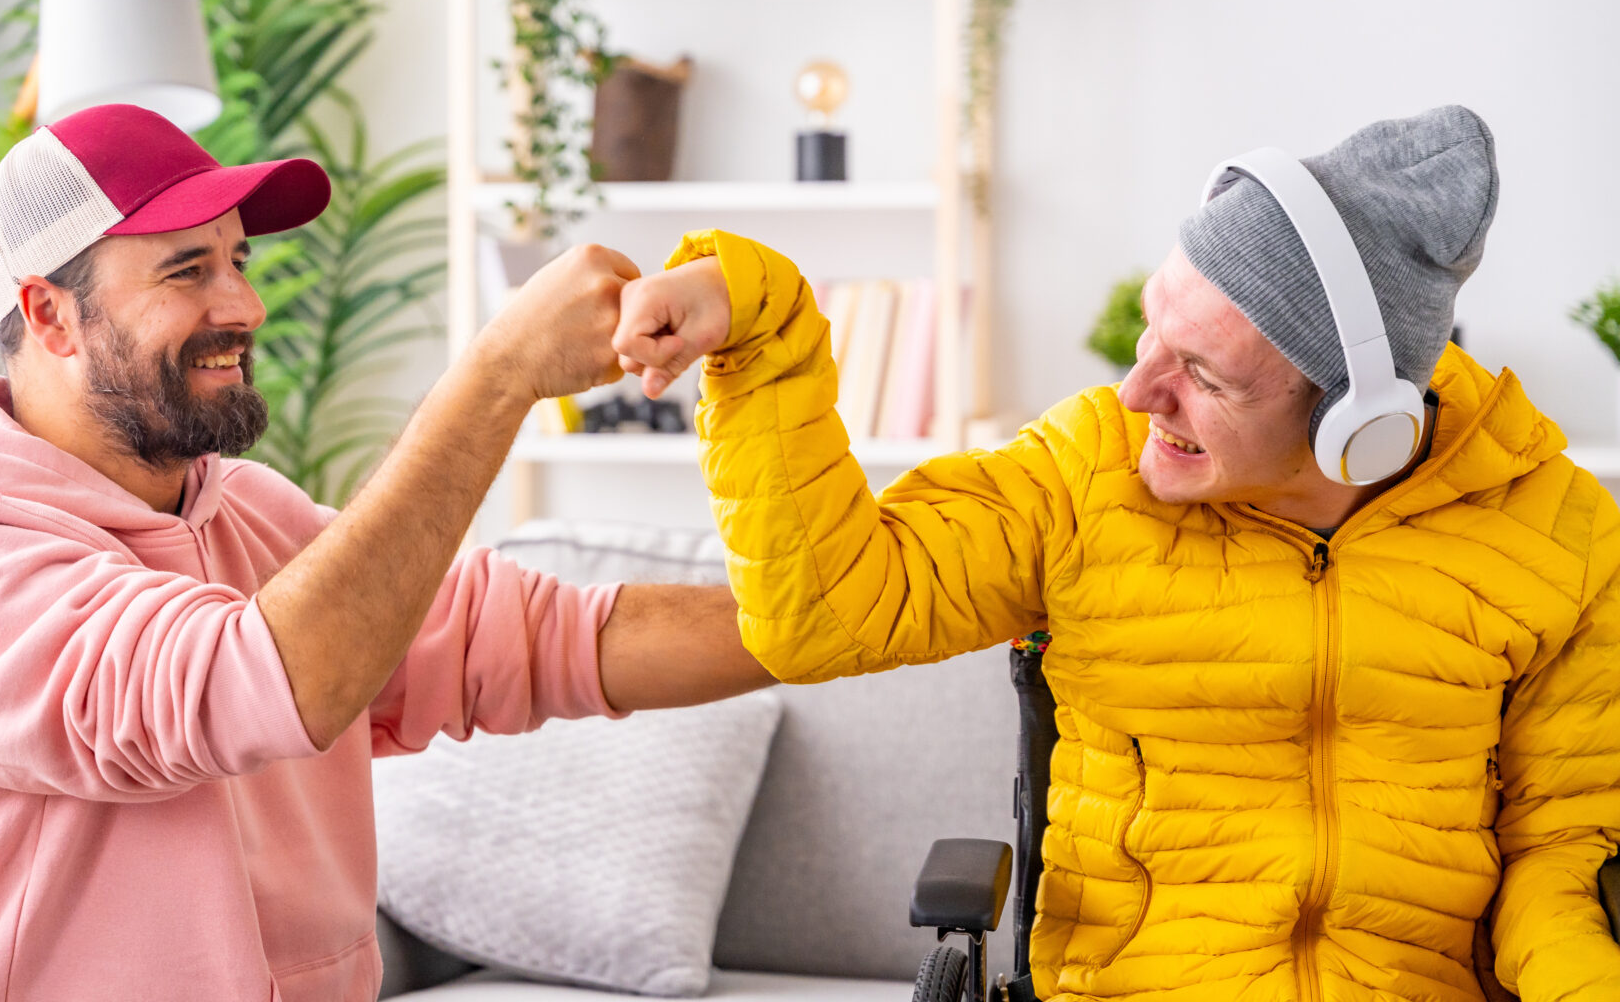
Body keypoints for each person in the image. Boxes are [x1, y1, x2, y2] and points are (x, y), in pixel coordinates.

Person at [614, 106, 1620, 1002]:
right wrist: (756, 328)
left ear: (1358, 424)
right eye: (1152, 330)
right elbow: (824, 613)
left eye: (1201, 374)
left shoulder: (1558, 533)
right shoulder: (1084, 472)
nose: (1138, 392)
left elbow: (1566, 850)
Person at [0, 104, 771, 1002]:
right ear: (50, 318)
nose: (243, 304)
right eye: (185, 271)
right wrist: (497, 376)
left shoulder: (248, 513)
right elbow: (234, 687)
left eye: (237, 260)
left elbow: (532, 636)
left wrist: (839, 615)